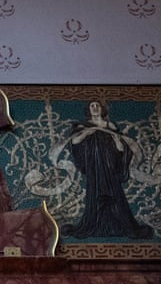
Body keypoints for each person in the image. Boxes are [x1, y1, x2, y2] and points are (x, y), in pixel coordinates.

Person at [62, 100, 152, 239]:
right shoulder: (83, 126)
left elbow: (121, 149)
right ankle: (96, 224)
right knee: (96, 192)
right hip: (95, 166)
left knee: (114, 194)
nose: (95, 108)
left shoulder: (110, 126)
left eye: (97, 105)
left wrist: (116, 139)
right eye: (92, 106)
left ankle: (118, 224)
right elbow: (75, 142)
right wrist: (87, 133)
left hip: (109, 165)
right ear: (89, 110)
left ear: (102, 109)